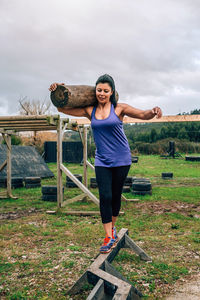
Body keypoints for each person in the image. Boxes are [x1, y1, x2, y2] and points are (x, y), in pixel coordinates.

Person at [49, 74, 162, 254]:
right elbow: (63, 109)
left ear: (112, 92)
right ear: (95, 91)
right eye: (99, 90)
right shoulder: (89, 110)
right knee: (105, 196)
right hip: (102, 159)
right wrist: (60, 91)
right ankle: (109, 236)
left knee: (115, 196)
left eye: (105, 91)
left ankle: (113, 229)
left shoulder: (119, 108)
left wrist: (153, 111)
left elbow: (142, 114)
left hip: (121, 159)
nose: (102, 93)